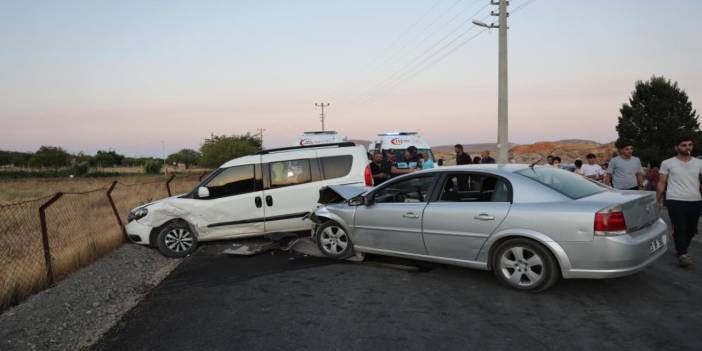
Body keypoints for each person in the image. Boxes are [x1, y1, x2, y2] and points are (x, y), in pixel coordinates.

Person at [656, 138, 702, 267]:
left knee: (692, 229)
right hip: (675, 200)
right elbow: (662, 182)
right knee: (680, 227)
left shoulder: (699, 163)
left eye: (690, 145)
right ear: (676, 148)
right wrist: (658, 199)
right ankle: (683, 254)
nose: (687, 147)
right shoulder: (668, 163)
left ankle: (680, 246)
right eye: (684, 145)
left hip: (695, 200)